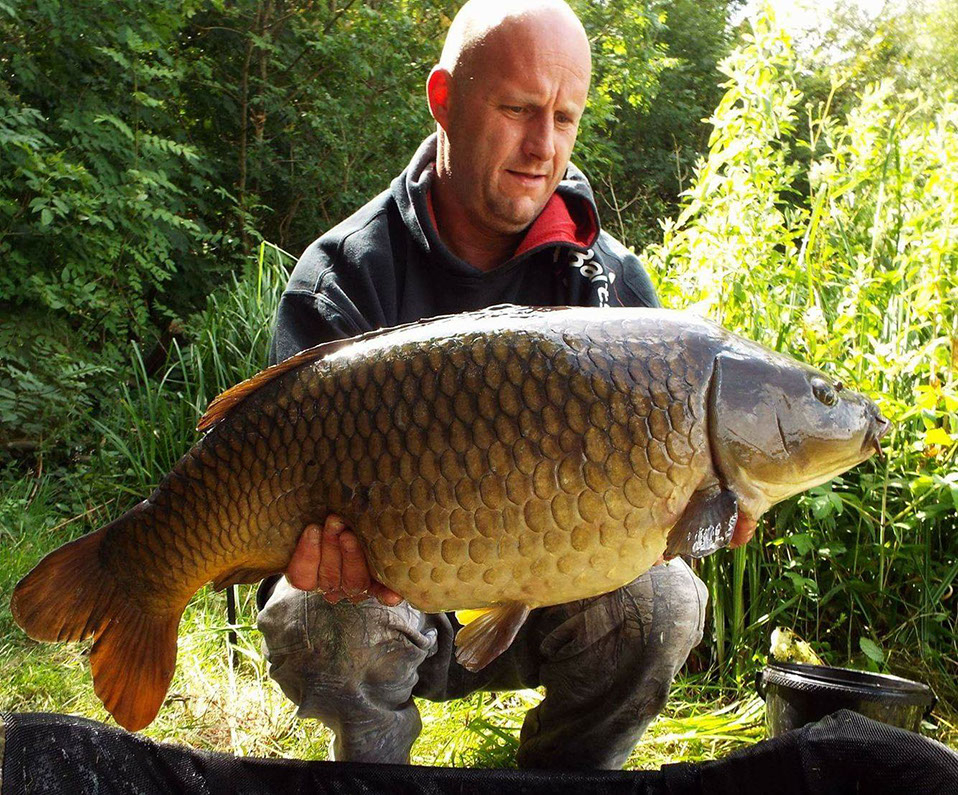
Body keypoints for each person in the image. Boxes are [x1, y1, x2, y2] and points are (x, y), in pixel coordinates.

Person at [256, 0, 719, 770]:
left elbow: (676, 520)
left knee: (666, 602)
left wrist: (708, 509)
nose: (545, 147)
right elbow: (274, 491)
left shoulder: (611, 288)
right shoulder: (345, 275)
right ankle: (374, 771)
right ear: (445, 100)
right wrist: (298, 559)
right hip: (388, 594)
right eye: (518, 109)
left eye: (566, 118)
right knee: (317, 617)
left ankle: (569, 775)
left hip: (552, 594)